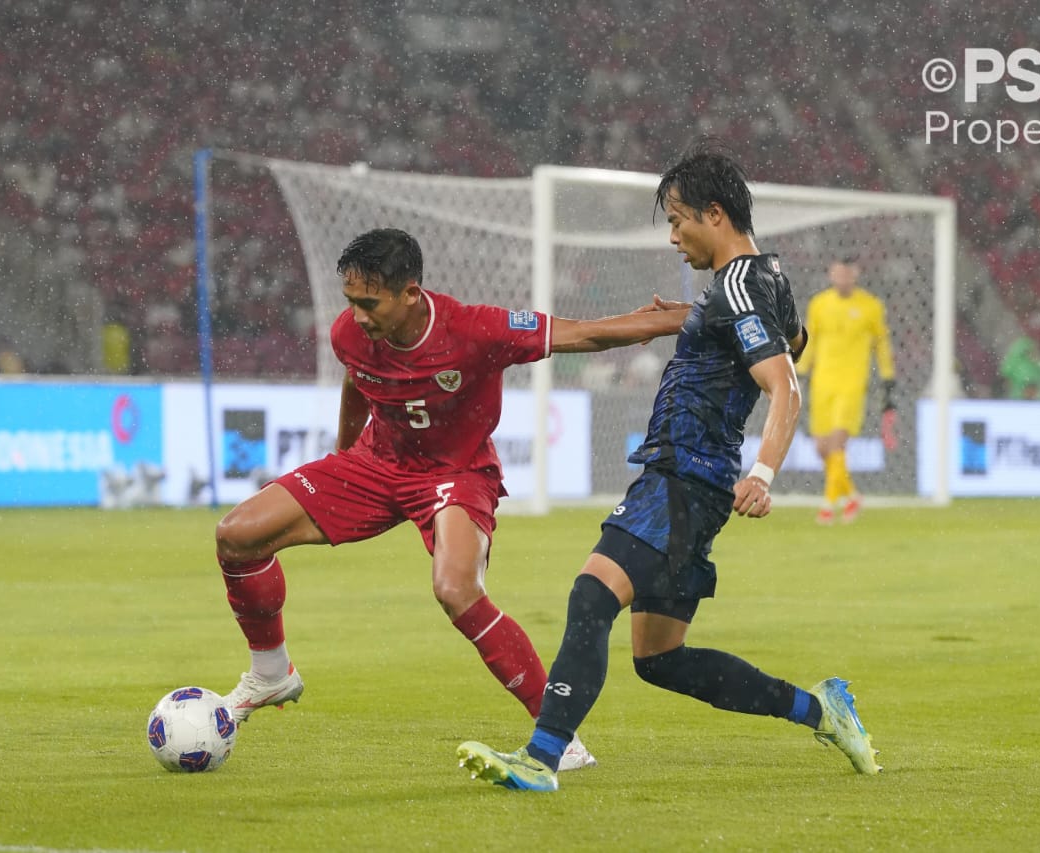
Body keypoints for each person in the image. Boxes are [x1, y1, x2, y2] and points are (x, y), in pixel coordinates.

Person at [456, 137, 881, 793]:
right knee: (658, 658)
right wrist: (693, 316)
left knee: (591, 593)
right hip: (696, 482)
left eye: (678, 220)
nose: (674, 237)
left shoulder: (737, 285)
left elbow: (785, 382)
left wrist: (763, 473)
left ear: (715, 214)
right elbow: (792, 336)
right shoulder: (760, 280)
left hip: (684, 476)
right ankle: (822, 708)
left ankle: (541, 758)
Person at [213, 227, 690, 772]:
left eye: (369, 303)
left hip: (457, 473)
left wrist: (676, 320)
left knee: (456, 589)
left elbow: (584, 335)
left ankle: (559, 739)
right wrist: (343, 454)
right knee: (237, 535)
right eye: (351, 302)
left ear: (410, 293)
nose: (358, 316)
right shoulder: (350, 332)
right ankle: (271, 672)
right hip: (376, 464)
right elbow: (358, 379)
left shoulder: (475, 329)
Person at [794, 258, 897, 525]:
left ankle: (828, 505)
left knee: (837, 442)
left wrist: (888, 378)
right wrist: (802, 371)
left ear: (856, 274)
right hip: (822, 383)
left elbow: (881, 344)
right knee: (821, 448)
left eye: (847, 274)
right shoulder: (819, 304)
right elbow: (811, 341)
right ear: (831, 274)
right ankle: (851, 495)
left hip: (851, 384)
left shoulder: (870, 306)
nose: (842, 278)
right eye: (838, 273)